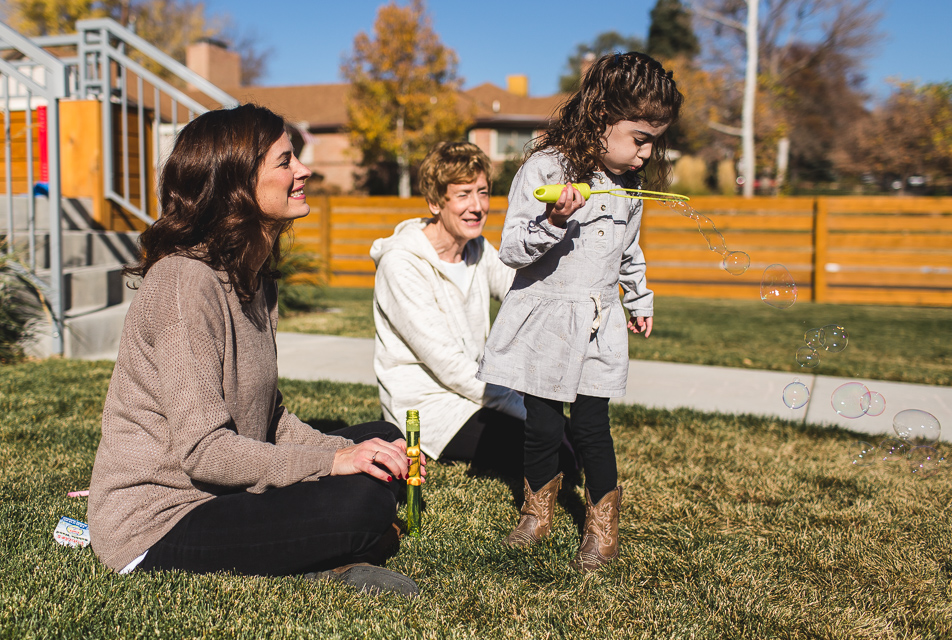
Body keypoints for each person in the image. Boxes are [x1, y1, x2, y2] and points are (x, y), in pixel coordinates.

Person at [87, 104, 423, 597]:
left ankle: (306, 547)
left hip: (223, 489)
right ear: (237, 183)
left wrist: (350, 451)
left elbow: (270, 420)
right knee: (362, 505)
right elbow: (204, 453)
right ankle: (320, 552)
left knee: (384, 438)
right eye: (286, 161)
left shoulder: (253, 278)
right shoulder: (185, 282)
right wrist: (333, 465)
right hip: (161, 520)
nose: (304, 171)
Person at [477, 52, 683, 571]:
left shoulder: (629, 188)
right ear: (601, 117)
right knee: (543, 425)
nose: (646, 152)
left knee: (592, 426)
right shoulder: (545, 169)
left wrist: (638, 299)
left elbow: (629, 251)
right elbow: (512, 250)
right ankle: (538, 510)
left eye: (654, 140)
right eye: (640, 137)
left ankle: (601, 523)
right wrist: (553, 220)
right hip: (546, 318)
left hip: (597, 321)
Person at [370, 141, 526, 474]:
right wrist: (518, 403)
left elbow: (522, 293)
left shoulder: (478, 248)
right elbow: (449, 365)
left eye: (483, 192)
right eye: (463, 194)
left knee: (558, 437)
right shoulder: (401, 264)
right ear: (435, 202)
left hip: (474, 392)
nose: (477, 206)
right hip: (429, 407)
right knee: (542, 445)